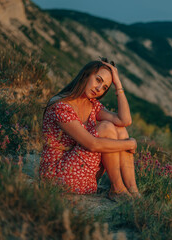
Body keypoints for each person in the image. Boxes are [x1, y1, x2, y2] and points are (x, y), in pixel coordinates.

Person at [39, 57, 140, 200]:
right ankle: (117, 188)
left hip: (79, 168)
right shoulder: (60, 106)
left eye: (105, 87)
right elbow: (92, 144)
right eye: (98, 80)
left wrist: (118, 84)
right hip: (57, 173)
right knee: (106, 127)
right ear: (86, 75)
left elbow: (124, 120)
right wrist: (130, 143)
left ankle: (133, 191)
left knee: (120, 129)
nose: (99, 89)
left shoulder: (92, 104)